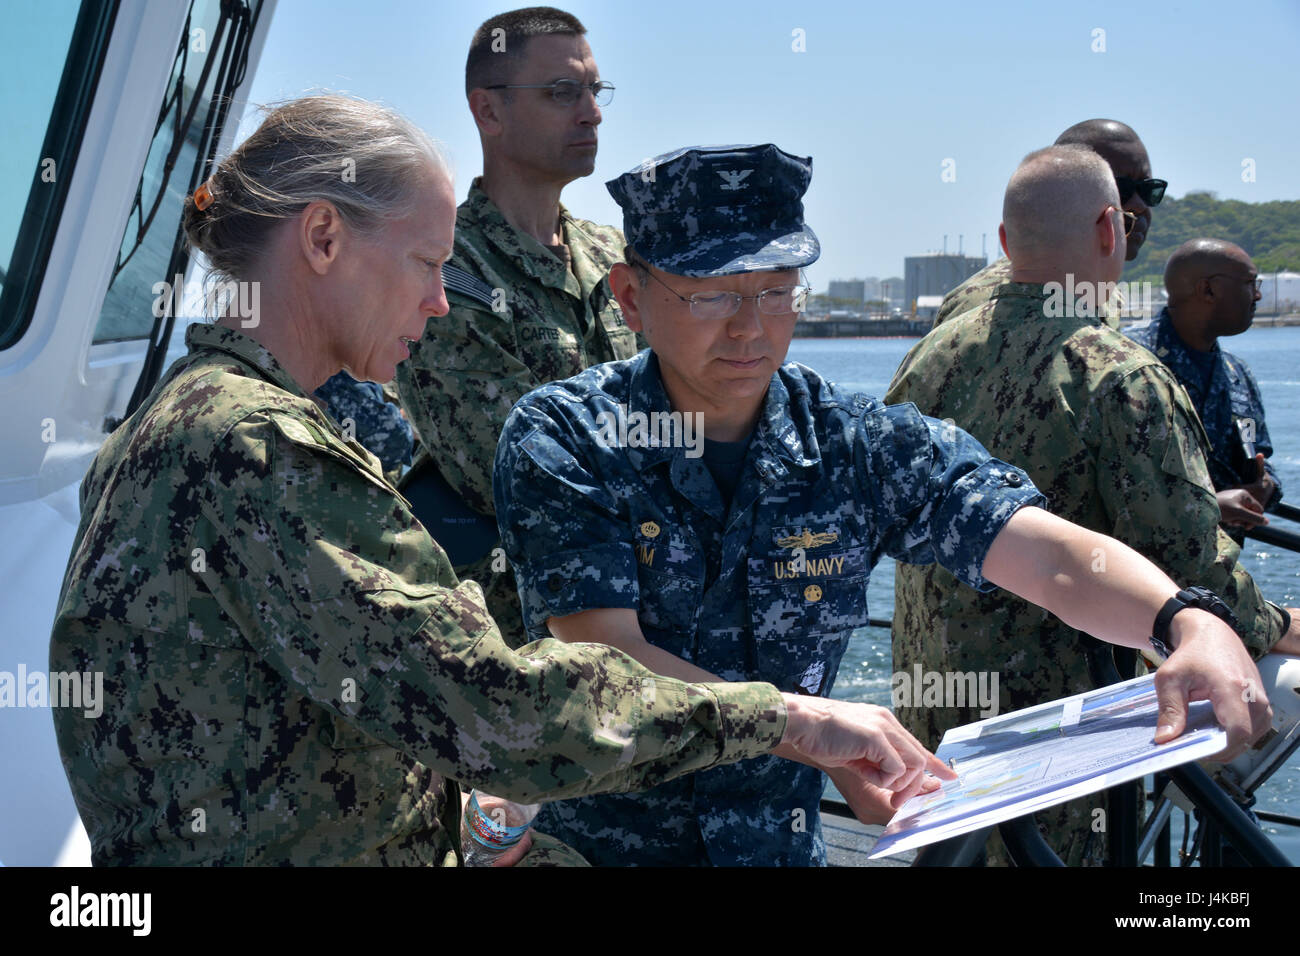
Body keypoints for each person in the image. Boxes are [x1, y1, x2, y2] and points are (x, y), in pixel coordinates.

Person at [47, 97, 959, 867]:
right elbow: (499, 708)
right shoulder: (256, 448)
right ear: (323, 236)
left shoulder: (173, 420)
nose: (440, 301)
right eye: (428, 263)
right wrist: (792, 722)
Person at [493, 143, 1274, 867]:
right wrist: (809, 729)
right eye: (712, 298)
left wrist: (1184, 620)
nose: (749, 328)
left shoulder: (850, 440)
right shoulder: (566, 436)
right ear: (631, 297)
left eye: (775, 293)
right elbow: (607, 656)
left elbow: (1048, 557)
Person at [887, 144, 1299, 865]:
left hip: (933, 729)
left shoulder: (932, 353)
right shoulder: (1122, 377)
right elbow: (1198, 575)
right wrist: (1284, 624)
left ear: (1007, 243)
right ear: (1111, 229)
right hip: (1055, 751)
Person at [394, 7, 638, 649]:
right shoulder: (446, 272)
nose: (592, 112)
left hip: (639, 642)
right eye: (563, 93)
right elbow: (515, 472)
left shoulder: (617, 256)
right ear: (489, 111)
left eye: (594, 89)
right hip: (513, 667)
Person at [933, 118, 1164, 328]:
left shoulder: (1107, 292)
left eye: (1148, 190)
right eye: (1119, 189)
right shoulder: (981, 302)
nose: (1139, 205)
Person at [1127, 239, 1281, 532]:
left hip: (1217, 568)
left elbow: (1259, 454)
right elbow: (1109, 480)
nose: (1257, 295)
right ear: (1208, 289)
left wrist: (1264, 487)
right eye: (1250, 283)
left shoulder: (1238, 374)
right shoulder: (1127, 361)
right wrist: (1209, 506)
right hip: (1141, 567)